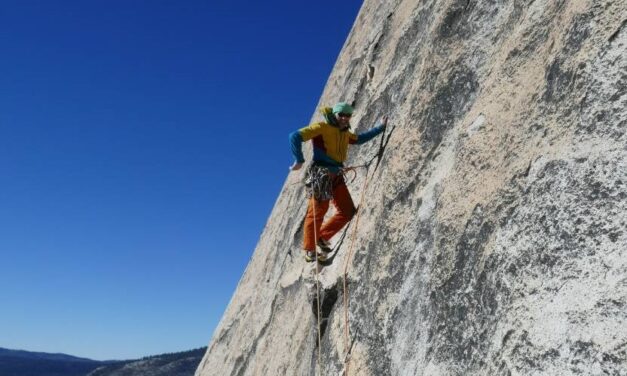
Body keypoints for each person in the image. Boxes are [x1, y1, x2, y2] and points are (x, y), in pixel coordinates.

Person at [289, 102, 387, 262]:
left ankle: (321, 236)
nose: (344, 118)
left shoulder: (345, 133)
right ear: (334, 114)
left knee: (347, 211)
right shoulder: (322, 127)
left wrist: (380, 128)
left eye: (347, 115)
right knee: (317, 212)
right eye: (341, 114)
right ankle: (310, 249)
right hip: (321, 175)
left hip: (336, 175)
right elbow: (295, 136)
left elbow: (360, 139)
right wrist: (299, 160)